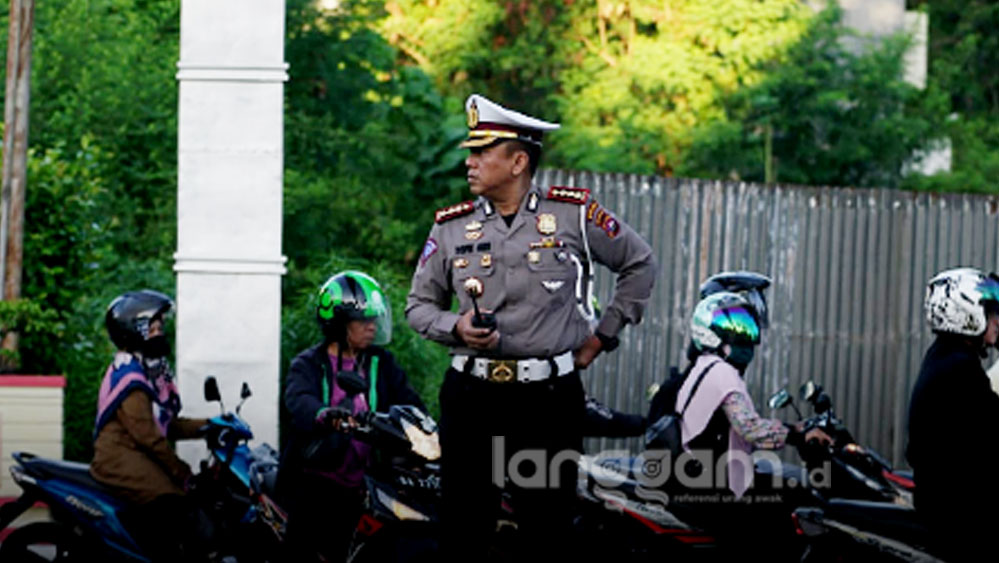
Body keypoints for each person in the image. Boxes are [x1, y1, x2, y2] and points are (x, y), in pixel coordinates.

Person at [406, 93, 656, 561]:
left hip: (547, 401)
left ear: (518, 161)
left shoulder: (573, 215)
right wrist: (457, 327)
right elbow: (418, 307)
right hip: (471, 397)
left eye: (482, 152)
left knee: (547, 534)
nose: (470, 162)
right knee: (462, 534)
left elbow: (639, 263)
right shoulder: (450, 227)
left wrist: (602, 336)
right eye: (471, 153)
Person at [278, 271, 426, 562]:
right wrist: (325, 415)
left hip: (369, 483)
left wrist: (425, 429)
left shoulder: (382, 363)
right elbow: (299, 399)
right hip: (317, 481)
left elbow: (410, 402)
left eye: (374, 319)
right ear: (338, 323)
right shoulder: (309, 363)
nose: (372, 327)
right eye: (363, 320)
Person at [91, 289, 213, 561]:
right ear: (133, 331)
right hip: (119, 462)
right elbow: (148, 437)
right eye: (153, 328)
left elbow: (166, 426)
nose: (159, 333)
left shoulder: (145, 369)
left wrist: (212, 425)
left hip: (135, 455)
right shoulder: (131, 378)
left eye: (160, 327)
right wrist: (180, 470)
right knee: (174, 506)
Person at [906, 267, 999, 561]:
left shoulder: (944, 355)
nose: (997, 320)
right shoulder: (960, 368)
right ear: (966, 313)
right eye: (991, 312)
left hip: (941, 500)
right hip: (957, 513)